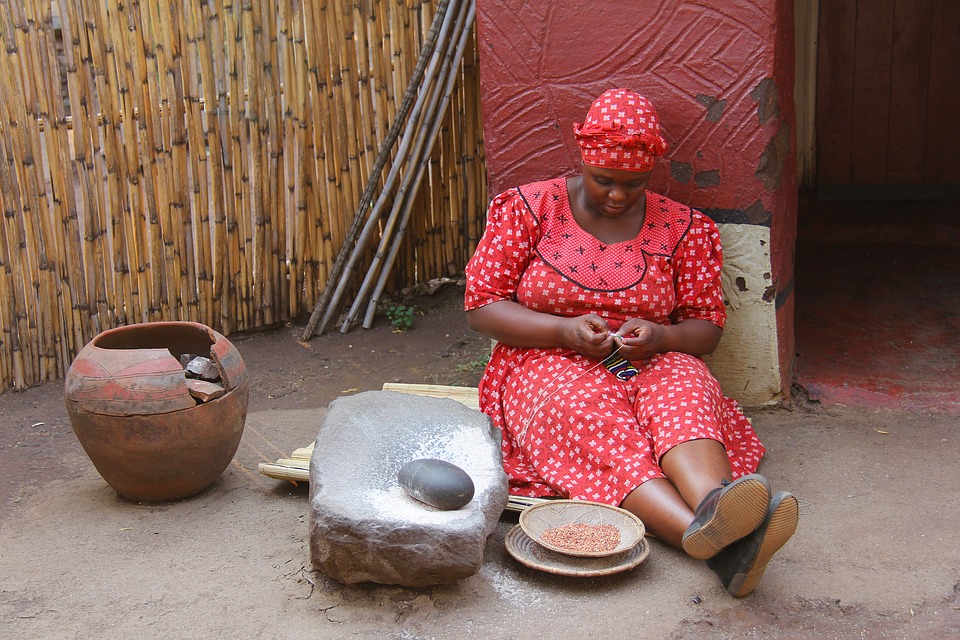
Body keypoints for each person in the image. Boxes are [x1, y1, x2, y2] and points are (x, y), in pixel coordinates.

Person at [464, 88, 798, 597]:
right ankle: (711, 541)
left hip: (647, 358)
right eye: (604, 182)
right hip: (545, 361)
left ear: (651, 173)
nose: (617, 196)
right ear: (583, 159)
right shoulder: (529, 210)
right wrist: (563, 330)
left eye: (633, 185)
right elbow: (482, 305)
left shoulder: (684, 229)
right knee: (594, 419)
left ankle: (719, 505)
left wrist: (661, 336)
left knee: (684, 389)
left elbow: (705, 328)